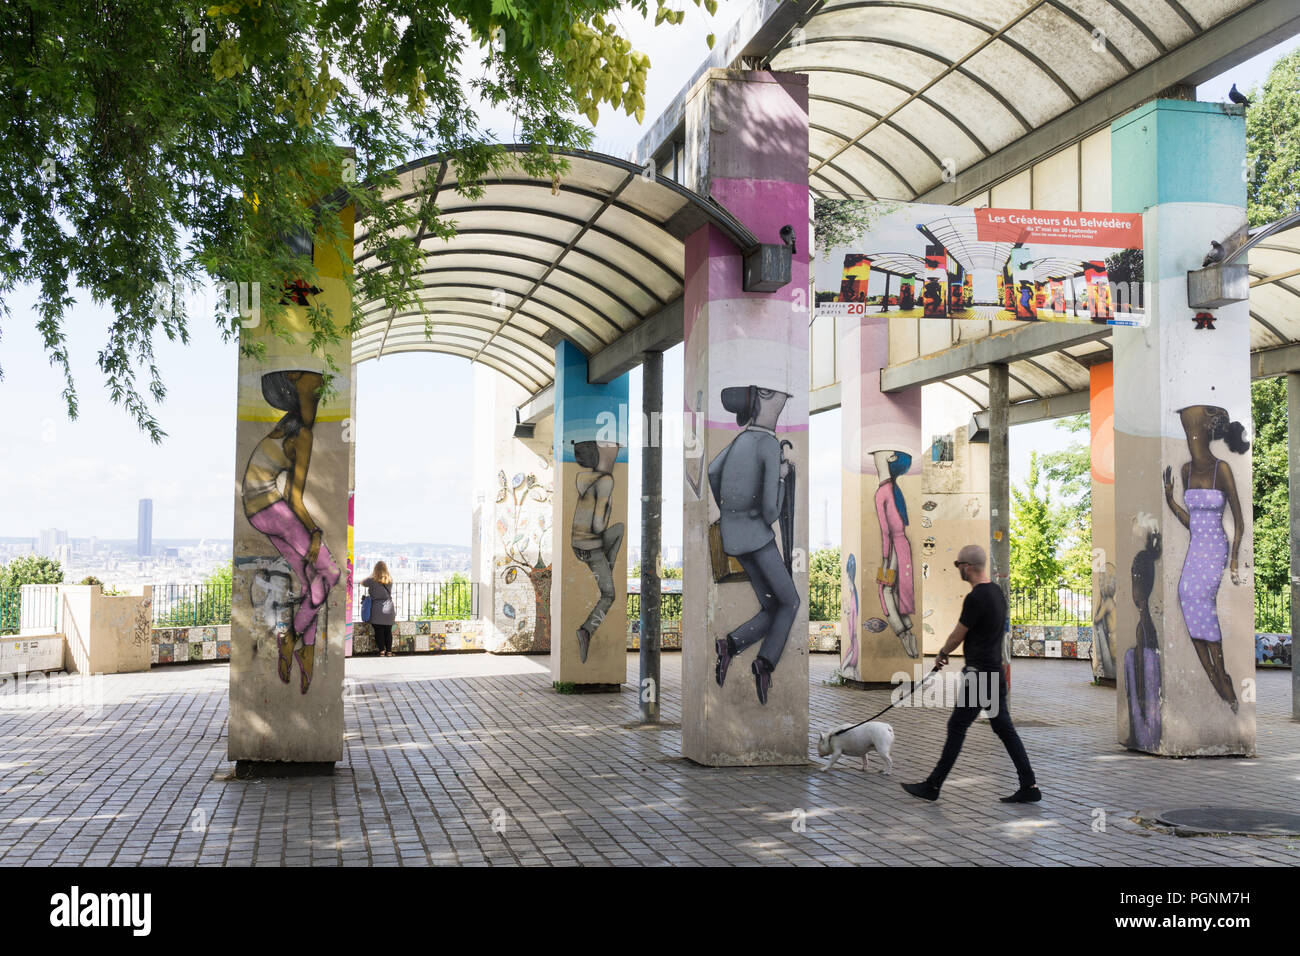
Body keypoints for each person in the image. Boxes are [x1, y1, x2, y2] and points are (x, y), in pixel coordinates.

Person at [901, 544, 1040, 803]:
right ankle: (1029, 786)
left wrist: (943, 652)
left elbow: (958, 633)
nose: (957, 570)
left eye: (957, 565)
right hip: (994, 673)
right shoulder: (997, 593)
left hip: (978, 675)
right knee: (1004, 729)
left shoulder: (976, 598)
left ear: (968, 566)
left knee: (957, 726)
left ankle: (933, 786)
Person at [242, 369, 341, 693]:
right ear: (296, 390)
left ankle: (306, 654)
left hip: (257, 510)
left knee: (311, 579)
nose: (317, 398)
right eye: (312, 392)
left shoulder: (287, 425)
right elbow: (292, 497)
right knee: (329, 572)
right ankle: (293, 641)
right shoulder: (302, 434)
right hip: (273, 509)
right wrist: (314, 532)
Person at [709, 385, 800, 705]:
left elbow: (712, 470)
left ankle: (731, 645)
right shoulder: (768, 444)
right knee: (790, 603)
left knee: (772, 605)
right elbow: (771, 512)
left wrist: (730, 509)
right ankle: (764, 663)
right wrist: (780, 477)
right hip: (758, 538)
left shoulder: (740, 441)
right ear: (762, 398)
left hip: (734, 537)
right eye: (779, 396)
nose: (784, 400)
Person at [571, 440, 625, 663]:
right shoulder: (606, 481)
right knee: (609, 595)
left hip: (578, 544)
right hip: (591, 546)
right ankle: (586, 630)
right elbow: (599, 526)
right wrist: (609, 505)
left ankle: (606, 572)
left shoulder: (584, 479)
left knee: (619, 530)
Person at [361, 561, 397, 657]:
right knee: (388, 631)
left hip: (377, 608)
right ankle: (389, 652)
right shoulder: (389, 580)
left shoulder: (372, 580)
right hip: (389, 608)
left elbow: (362, 582)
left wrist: (371, 575)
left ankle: (381, 651)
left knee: (379, 631)